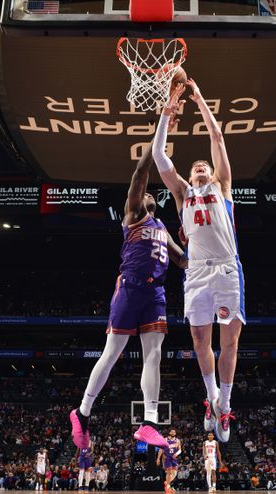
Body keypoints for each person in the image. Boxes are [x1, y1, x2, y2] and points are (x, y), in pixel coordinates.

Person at [70, 126, 187, 452]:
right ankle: (82, 413)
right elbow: (140, 172)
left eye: (151, 195)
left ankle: (149, 422)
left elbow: (183, 262)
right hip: (130, 288)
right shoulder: (134, 215)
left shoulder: (162, 227)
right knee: (112, 353)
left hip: (156, 294)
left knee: (155, 355)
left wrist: (204, 250)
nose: (148, 194)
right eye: (145, 192)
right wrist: (158, 139)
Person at [152, 81, 245, 443]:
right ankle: (212, 400)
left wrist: (199, 98)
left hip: (226, 267)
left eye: (204, 165)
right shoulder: (182, 193)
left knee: (231, 342)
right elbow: (160, 158)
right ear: (191, 177)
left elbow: (218, 138)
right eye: (197, 167)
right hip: (197, 273)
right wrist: (165, 114)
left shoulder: (222, 188)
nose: (202, 167)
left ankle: (226, 406)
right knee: (198, 338)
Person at [158, 428, 182, 493]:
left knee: (175, 472)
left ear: (175, 433)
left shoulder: (177, 440)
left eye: (174, 432)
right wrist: (158, 458)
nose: (173, 433)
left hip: (174, 458)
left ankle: (167, 482)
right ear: (169, 433)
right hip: (167, 457)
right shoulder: (165, 439)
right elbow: (161, 450)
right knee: (169, 472)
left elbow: (180, 449)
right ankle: (168, 487)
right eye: (172, 432)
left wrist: (176, 454)